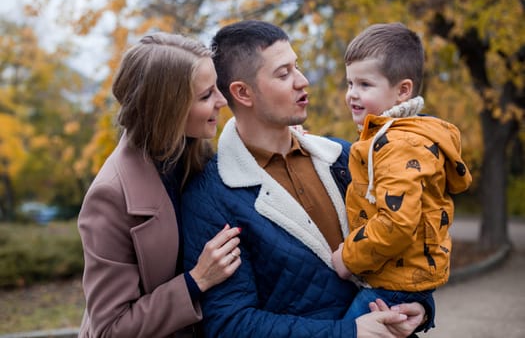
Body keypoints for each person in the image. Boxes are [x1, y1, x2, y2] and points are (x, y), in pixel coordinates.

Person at [181, 20, 435, 338]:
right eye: (284, 73)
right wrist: (348, 333)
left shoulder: (344, 157)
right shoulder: (211, 198)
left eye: (297, 67)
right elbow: (230, 323)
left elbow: (404, 238)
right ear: (243, 93)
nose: (302, 81)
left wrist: (421, 307)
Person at [77, 32, 242, 337]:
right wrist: (196, 281)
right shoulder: (110, 197)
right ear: (169, 110)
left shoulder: (194, 154)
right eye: (206, 96)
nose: (222, 101)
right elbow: (110, 329)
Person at [331, 22, 473, 321]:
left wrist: (347, 258)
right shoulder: (391, 135)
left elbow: (396, 223)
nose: (352, 94)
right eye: (349, 84)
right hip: (398, 275)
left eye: (364, 85)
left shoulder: (400, 145)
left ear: (402, 91)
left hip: (395, 282)